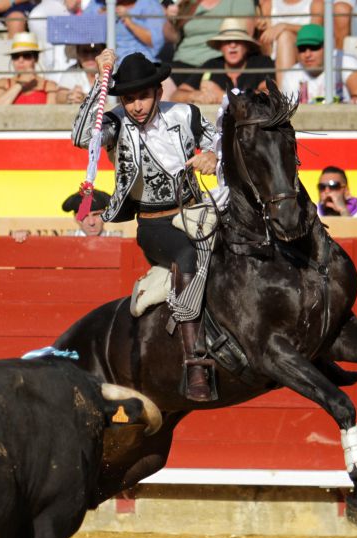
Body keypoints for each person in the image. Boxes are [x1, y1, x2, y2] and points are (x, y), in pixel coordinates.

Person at [73, 50, 219, 401]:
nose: (136, 106)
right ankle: (195, 362)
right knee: (186, 257)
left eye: (143, 96)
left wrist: (213, 157)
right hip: (155, 224)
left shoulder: (186, 114)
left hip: (197, 212)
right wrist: (100, 80)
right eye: (129, 98)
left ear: (158, 92)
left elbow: (223, 145)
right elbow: (81, 137)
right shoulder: (115, 122)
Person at [172, 17, 274, 104]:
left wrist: (224, 96)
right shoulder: (211, 65)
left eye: (238, 41)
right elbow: (176, 95)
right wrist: (195, 95)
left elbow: (269, 95)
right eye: (227, 41)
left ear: (247, 45)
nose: (233, 45)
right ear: (220, 46)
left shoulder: (261, 63)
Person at [163, 0, 255, 86]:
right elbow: (171, 37)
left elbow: (245, 37)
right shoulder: (187, 2)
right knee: (162, 86)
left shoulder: (240, 2)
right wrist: (167, 19)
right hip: (183, 63)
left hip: (217, 66)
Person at [278, 24, 357, 103]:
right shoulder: (291, 75)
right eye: (302, 49)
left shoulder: (345, 61)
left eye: (314, 47)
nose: (307, 54)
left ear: (327, 46)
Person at [84, 0, 167, 62]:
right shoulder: (96, 4)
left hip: (140, 62)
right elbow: (82, 34)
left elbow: (156, 42)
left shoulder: (149, 3)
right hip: (105, 63)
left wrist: (129, 21)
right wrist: (100, 19)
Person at [0, 32, 60, 104]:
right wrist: (19, 85)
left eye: (26, 55)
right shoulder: (2, 83)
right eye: (16, 56)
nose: (20, 60)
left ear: (36, 58)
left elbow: (51, 113)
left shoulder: (49, 86)